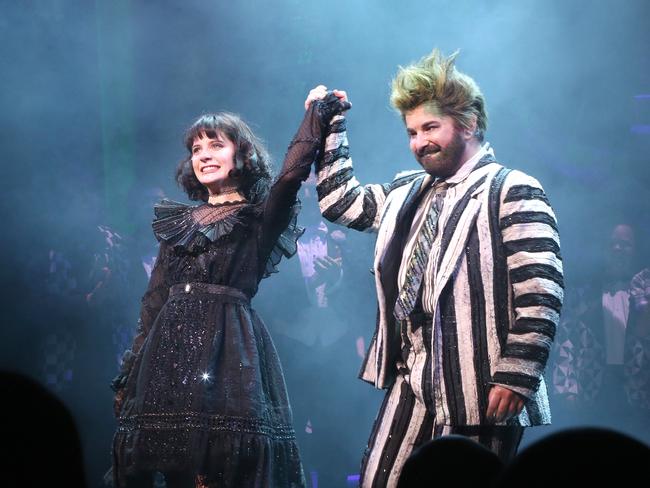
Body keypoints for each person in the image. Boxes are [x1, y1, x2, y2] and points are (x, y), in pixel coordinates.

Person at [305, 49, 564, 487]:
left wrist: (518, 373)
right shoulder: (407, 191)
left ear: (468, 124)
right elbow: (339, 203)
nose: (419, 142)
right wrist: (331, 124)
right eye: (411, 132)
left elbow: (541, 289)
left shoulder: (511, 187)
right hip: (412, 378)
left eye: (430, 127)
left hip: (481, 383)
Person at [110, 94, 350, 488]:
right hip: (169, 354)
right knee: (175, 466)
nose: (203, 154)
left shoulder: (257, 218)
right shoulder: (179, 222)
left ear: (242, 155)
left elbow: (290, 177)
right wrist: (129, 375)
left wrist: (314, 116)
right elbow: (154, 301)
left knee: (222, 463)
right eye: (195, 148)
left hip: (228, 348)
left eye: (216, 144)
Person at [552, 221, 649, 441]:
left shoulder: (645, 293)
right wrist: (567, 387)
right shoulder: (581, 295)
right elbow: (566, 341)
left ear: (634, 251)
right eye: (612, 244)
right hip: (592, 387)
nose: (617, 249)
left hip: (637, 392)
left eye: (625, 244)